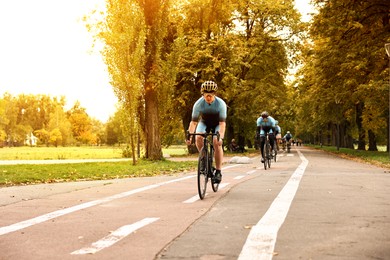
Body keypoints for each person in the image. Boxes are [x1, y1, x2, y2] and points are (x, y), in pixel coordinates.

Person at [186, 81, 227, 183]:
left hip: (217, 123)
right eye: (206, 95)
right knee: (198, 137)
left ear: (214, 94)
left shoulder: (221, 104)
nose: (208, 97)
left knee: (216, 142)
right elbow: (194, 122)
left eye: (211, 95)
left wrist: (220, 137)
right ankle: (204, 157)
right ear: (202, 94)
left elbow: (222, 124)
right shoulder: (198, 104)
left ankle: (218, 171)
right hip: (204, 122)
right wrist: (189, 136)